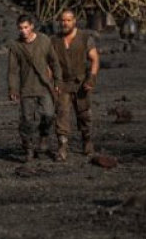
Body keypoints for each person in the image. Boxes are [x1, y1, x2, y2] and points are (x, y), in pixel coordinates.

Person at [7, 14, 62, 163]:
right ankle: (29, 149)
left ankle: (44, 137)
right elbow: (12, 70)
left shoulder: (44, 40)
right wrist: (13, 89)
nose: (23, 31)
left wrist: (58, 81)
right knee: (27, 121)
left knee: (49, 115)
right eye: (20, 28)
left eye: (26, 27)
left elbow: (54, 62)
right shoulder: (15, 46)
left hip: (44, 87)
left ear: (31, 26)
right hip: (26, 89)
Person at [52, 9, 100, 161]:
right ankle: (62, 147)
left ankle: (87, 141)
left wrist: (91, 78)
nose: (65, 23)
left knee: (84, 114)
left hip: (81, 83)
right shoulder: (54, 40)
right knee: (61, 114)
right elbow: (49, 63)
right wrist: (52, 82)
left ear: (74, 21)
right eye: (62, 20)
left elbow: (94, 59)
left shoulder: (85, 38)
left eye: (68, 20)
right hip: (63, 83)